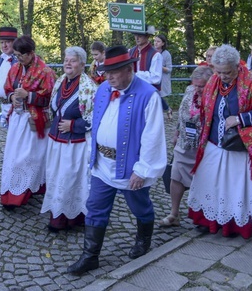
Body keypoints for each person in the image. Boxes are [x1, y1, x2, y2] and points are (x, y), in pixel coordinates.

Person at [66, 45, 166, 276]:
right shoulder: (103, 90)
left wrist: (142, 170)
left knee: (139, 207)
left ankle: (143, 240)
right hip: (102, 164)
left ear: (129, 69)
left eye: (114, 71)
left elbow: (153, 136)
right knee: (95, 207)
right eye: (106, 71)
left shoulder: (148, 96)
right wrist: (93, 155)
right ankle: (90, 257)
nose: (108, 76)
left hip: (131, 166)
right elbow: (96, 123)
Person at [187, 44, 252, 239]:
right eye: (218, 71)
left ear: (237, 66)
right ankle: (208, 220)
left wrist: (240, 119)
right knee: (210, 184)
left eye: (227, 73)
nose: (222, 76)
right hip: (213, 144)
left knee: (235, 189)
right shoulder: (213, 81)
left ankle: (234, 225)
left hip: (240, 147)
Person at [42, 46, 97, 232]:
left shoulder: (89, 88)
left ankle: (70, 219)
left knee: (70, 179)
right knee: (55, 177)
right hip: (56, 141)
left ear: (82, 64)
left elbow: (95, 119)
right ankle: (57, 213)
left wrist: (73, 126)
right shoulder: (60, 82)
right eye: (66, 60)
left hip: (74, 144)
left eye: (72, 61)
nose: (68, 63)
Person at [0, 35, 56, 209]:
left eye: (21, 55)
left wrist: (29, 96)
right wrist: (12, 97)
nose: (18, 59)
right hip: (17, 119)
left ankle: (21, 194)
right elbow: (7, 88)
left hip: (34, 122)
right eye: (16, 55)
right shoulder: (15, 68)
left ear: (31, 53)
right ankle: (13, 190)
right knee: (13, 156)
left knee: (28, 158)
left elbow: (51, 98)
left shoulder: (45, 72)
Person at [159, 65, 213, 227]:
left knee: (203, 181)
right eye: (195, 84)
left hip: (204, 146)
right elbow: (182, 114)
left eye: (201, 86)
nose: (197, 88)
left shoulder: (214, 96)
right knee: (176, 176)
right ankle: (174, 214)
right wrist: (176, 133)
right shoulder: (190, 91)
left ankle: (204, 216)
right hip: (184, 142)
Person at [0, 27, 18, 127]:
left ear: (14, 43)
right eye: (2, 42)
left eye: (7, 42)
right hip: (4, 104)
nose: (4, 45)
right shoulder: (1, 59)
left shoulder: (17, 60)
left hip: (14, 105)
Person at [154, 34, 173, 119]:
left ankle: (167, 109)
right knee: (153, 95)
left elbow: (169, 69)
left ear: (163, 43)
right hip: (152, 78)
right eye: (155, 41)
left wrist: (159, 67)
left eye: (158, 41)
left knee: (158, 95)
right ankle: (166, 109)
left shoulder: (166, 54)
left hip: (162, 79)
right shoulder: (152, 52)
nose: (156, 43)